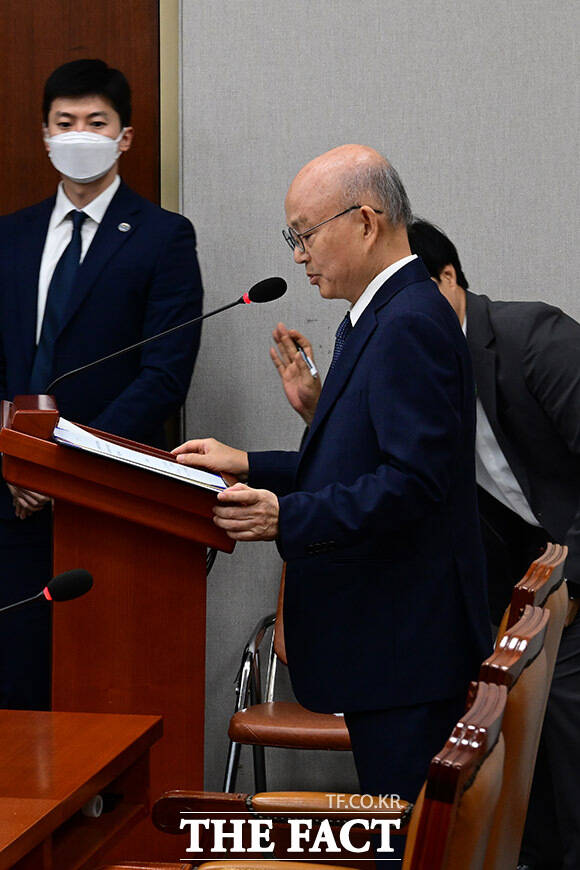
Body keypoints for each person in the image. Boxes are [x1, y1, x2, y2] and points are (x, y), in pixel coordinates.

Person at [173, 146, 492, 818]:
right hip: (392, 645)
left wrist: (286, 517)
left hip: (405, 647)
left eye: (304, 233)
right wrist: (250, 463)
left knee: (404, 845)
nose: (297, 254)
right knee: (395, 839)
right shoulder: (378, 317)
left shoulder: (408, 323)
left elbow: (412, 485)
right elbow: (363, 462)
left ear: (367, 223)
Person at [276, 215, 580, 869]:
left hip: (566, 575)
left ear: (445, 279)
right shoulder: (417, 360)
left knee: (560, 721)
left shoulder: (536, 340)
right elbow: (409, 468)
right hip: (503, 594)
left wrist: (567, 584)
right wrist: (321, 412)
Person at [0, 58, 203, 710]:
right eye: (65, 123)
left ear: (126, 137)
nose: (78, 135)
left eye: (96, 122)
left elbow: (165, 375)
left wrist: (63, 464)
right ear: (44, 134)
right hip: (10, 500)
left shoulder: (164, 238)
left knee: (103, 694)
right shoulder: (10, 237)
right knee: (17, 688)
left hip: (107, 500)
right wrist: (16, 459)